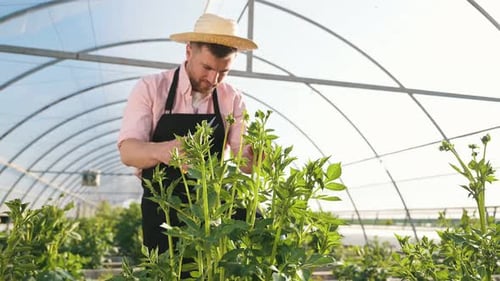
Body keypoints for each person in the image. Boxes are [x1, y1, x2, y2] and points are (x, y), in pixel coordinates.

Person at [117, 13, 258, 256]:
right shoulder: (151, 88)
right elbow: (128, 152)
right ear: (189, 51)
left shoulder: (232, 97)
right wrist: (165, 150)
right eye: (207, 68)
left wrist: (256, 158)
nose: (213, 79)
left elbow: (243, 158)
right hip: (163, 208)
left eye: (223, 71)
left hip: (211, 208)